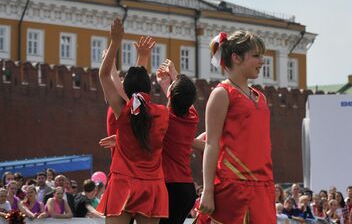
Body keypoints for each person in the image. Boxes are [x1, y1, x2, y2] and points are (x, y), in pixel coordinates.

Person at [97, 18, 170, 223]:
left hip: (122, 182)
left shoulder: (123, 110)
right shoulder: (163, 113)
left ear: (125, 89)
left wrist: (115, 42)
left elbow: (104, 75)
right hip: (152, 184)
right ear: (149, 87)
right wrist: (144, 58)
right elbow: (140, 97)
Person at [197, 31, 273, 224]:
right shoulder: (222, 94)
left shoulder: (260, 97)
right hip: (233, 188)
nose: (262, 61)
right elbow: (211, 144)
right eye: (256, 56)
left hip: (263, 188)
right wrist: (208, 190)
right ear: (236, 58)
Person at [155, 59, 200, 224]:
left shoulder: (163, 118)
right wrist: (172, 77)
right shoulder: (193, 117)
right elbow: (181, 97)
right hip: (187, 189)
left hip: (169, 186)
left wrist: (169, 80)